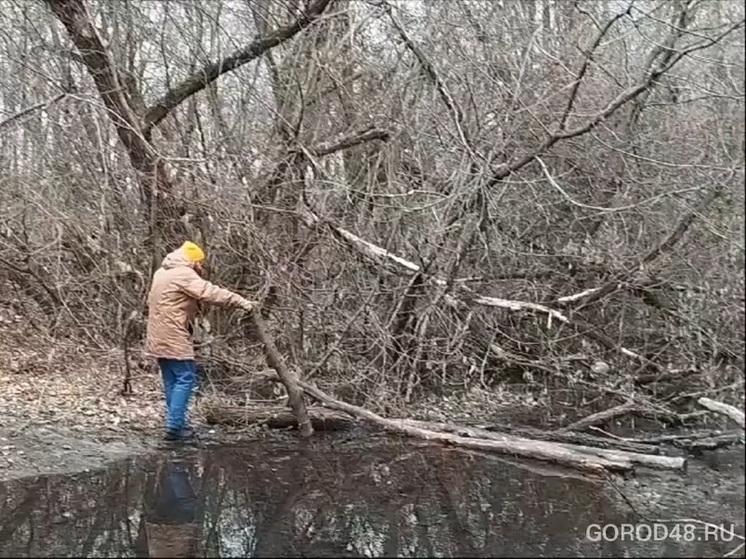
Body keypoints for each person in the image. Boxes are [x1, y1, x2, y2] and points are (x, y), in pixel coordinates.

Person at [146, 241, 256, 443]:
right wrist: (241, 301)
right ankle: (174, 427)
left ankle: (176, 424)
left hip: (157, 334)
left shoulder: (162, 272)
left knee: (172, 379)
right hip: (173, 334)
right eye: (199, 263)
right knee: (186, 377)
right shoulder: (183, 274)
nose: (200, 267)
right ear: (192, 261)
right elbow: (209, 292)